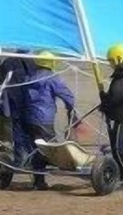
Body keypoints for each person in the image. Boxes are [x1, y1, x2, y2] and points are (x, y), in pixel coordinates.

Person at [19, 51, 76, 191]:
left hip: (27, 118)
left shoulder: (29, 77)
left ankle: (38, 180)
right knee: (49, 148)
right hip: (43, 119)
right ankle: (49, 173)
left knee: (36, 148)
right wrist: (71, 109)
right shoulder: (52, 78)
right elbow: (68, 96)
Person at [97, 43, 123, 191]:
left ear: (118, 59)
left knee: (119, 147)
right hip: (118, 114)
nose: (109, 63)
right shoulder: (121, 75)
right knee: (118, 147)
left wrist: (104, 100)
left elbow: (115, 97)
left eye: (111, 60)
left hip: (122, 116)